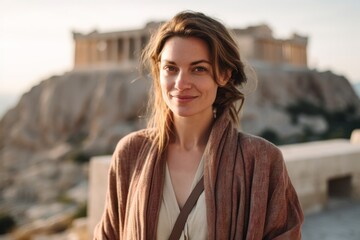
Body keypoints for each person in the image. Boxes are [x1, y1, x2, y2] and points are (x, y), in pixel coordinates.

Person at [94, 10, 303, 240]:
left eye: (198, 69)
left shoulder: (261, 160)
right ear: (158, 72)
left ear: (223, 74)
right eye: (171, 68)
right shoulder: (131, 154)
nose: (181, 83)